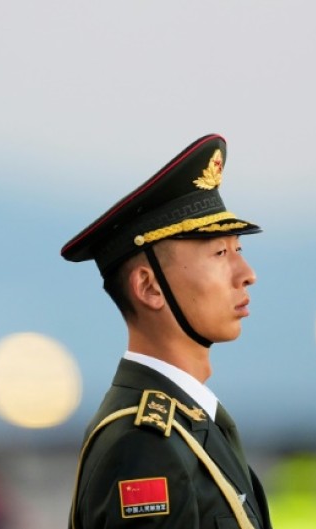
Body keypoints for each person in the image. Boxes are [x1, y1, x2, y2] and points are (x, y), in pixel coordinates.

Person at [61, 134, 273, 528]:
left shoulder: (194, 425)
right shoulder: (142, 447)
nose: (247, 275)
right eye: (220, 254)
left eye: (238, 250)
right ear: (149, 287)